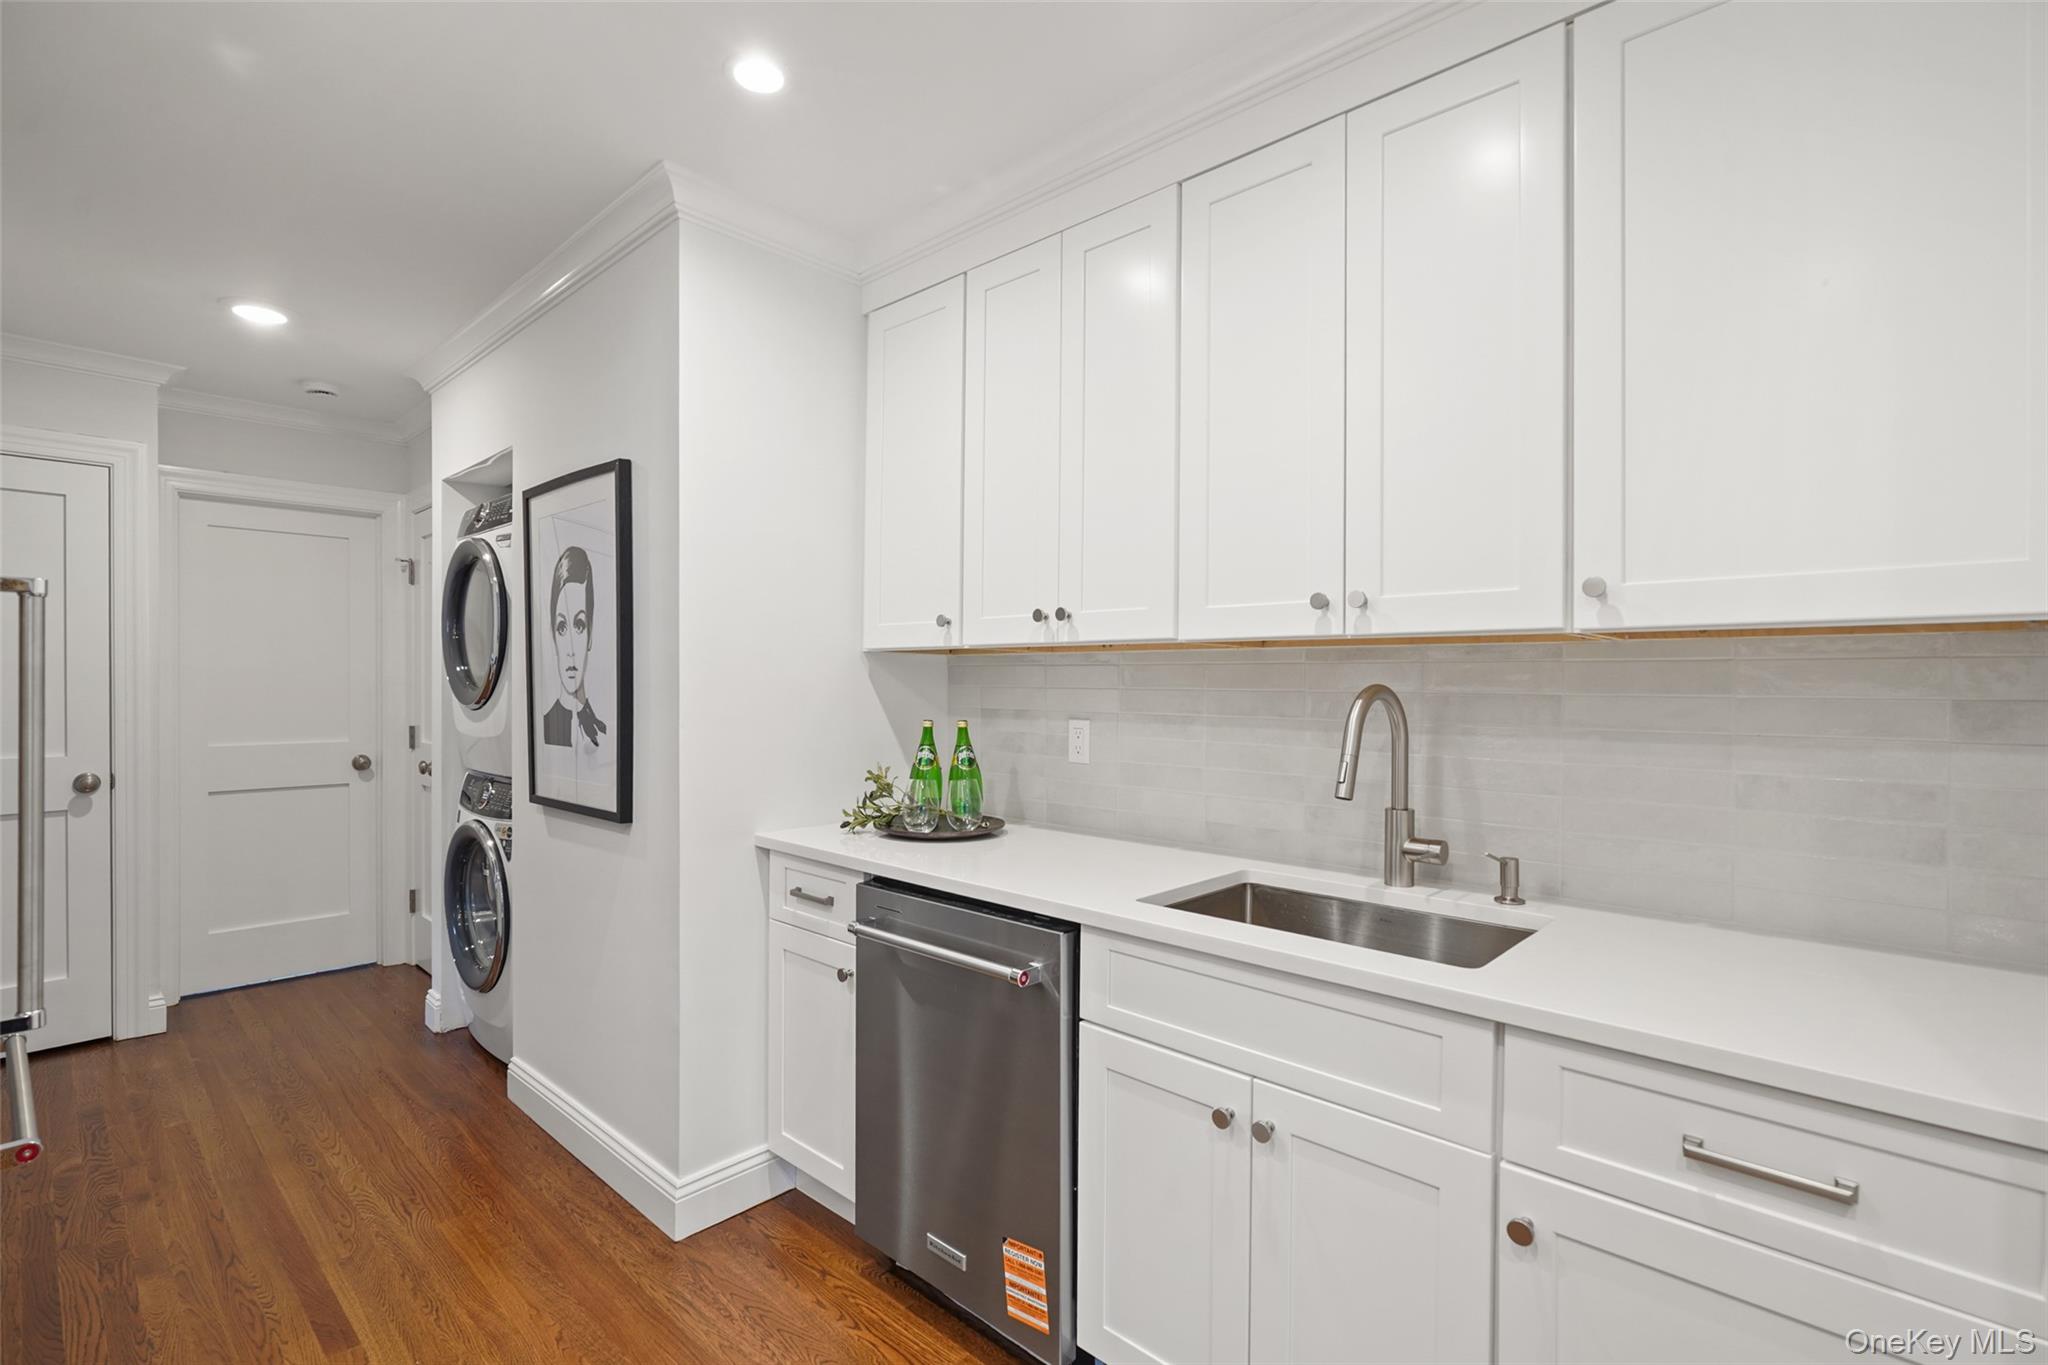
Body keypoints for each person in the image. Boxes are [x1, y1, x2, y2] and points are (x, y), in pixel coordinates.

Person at [541, 545, 607, 760]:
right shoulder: (543, 727)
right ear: (553, 635)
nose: (569, 648)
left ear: (591, 634)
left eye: (579, 625)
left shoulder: (604, 731)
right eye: (562, 627)